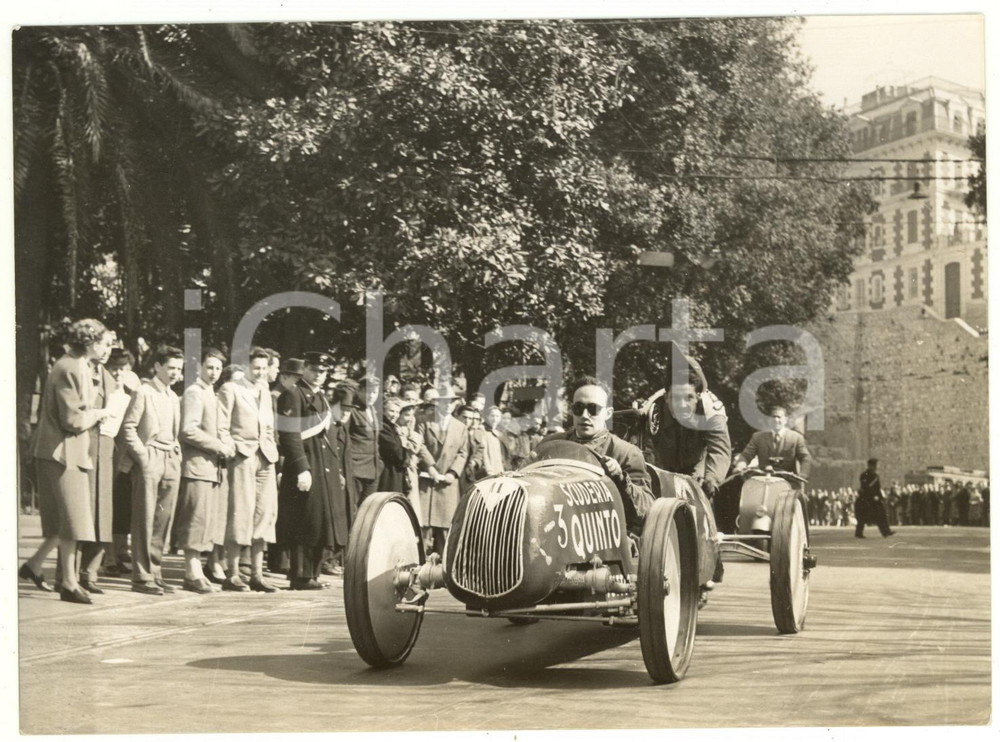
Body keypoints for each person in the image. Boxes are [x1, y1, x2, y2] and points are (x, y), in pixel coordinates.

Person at [23, 319, 114, 604]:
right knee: (73, 520)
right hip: (62, 451)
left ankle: (35, 567)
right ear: (90, 342)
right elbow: (73, 419)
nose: (106, 348)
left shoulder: (77, 365)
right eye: (103, 342)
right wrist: (101, 414)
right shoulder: (71, 367)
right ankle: (69, 583)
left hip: (67, 451)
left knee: (66, 520)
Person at [537, 376, 654, 535]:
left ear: (608, 413)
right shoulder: (550, 445)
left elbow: (647, 508)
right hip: (551, 529)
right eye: (578, 408)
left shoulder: (626, 453)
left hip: (604, 535)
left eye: (593, 409)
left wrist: (621, 479)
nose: (585, 415)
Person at [275, 351, 352, 589]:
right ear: (305, 368)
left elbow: (329, 436)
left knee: (320, 522)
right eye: (315, 370)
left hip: (324, 465)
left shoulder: (322, 398)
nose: (319, 375)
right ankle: (300, 575)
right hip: (307, 463)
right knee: (304, 521)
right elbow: (290, 435)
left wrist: (337, 469)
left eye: (324, 372)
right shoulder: (292, 394)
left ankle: (313, 573)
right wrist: (301, 468)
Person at [119, 344, 184, 595]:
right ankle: (141, 576)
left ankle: (155, 572)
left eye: (179, 369)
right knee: (144, 518)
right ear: (157, 366)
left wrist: (175, 450)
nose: (175, 373)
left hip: (171, 458)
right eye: (170, 368)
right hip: (150, 457)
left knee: (163, 519)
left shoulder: (172, 396)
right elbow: (128, 428)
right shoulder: (143, 392)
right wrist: (144, 456)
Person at [217, 347, 280, 592]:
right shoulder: (231, 389)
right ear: (246, 367)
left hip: (266, 456)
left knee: (264, 515)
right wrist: (231, 447)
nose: (261, 373)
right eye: (256, 368)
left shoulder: (265, 391)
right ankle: (232, 573)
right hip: (242, 456)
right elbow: (222, 425)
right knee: (240, 513)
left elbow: (268, 426)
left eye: (264, 368)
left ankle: (257, 573)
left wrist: (271, 448)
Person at [174, 348, 232, 593]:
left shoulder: (212, 393)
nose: (214, 373)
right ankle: (191, 572)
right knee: (195, 520)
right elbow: (188, 430)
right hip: (197, 465)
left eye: (218, 368)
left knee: (205, 521)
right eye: (209, 367)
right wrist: (219, 445)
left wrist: (228, 443)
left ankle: (197, 570)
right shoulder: (195, 393)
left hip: (211, 468)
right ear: (199, 368)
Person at [646, 360, 731, 502]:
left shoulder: (713, 412)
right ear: (666, 398)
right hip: (664, 461)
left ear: (698, 396)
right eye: (675, 398)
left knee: (700, 496)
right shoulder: (652, 408)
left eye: (689, 398)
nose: (682, 406)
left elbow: (719, 451)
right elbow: (645, 448)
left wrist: (712, 479)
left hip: (696, 463)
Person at [77, 327, 120, 594]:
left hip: (105, 445)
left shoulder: (109, 378)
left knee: (103, 509)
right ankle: (67, 573)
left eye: (110, 346)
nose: (107, 351)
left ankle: (90, 572)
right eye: (104, 344)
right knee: (81, 509)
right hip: (84, 444)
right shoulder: (79, 371)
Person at [417, 384, 470, 555]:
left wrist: (452, 473)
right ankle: (418, 564)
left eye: (451, 402)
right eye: (444, 402)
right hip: (426, 480)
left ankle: (442, 569)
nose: (447, 405)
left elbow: (463, 453)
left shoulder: (460, 427)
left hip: (447, 483)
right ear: (436, 403)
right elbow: (420, 445)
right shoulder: (424, 421)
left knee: (445, 528)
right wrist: (430, 466)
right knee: (423, 526)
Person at [103, 347, 138, 576]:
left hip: (123, 457)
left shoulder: (128, 396)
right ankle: (107, 557)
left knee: (121, 507)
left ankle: (118, 550)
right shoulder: (103, 393)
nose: (117, 374)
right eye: (114, 369)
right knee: (106, 506)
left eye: (122, 369)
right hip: (103, 453)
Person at [732, 405, 812, 479]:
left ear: (785, 420)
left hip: (788, 481)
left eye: (779, 417)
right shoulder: (758, 437)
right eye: (773, 417)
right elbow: (746, 456)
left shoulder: (796, 438)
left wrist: (803, 473)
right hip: (763, 480)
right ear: (769, 420)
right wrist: (740, 466)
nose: (776, 420)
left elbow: (805, 457)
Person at [347, 376, 381, 506]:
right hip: (356, 469)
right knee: (352, 508)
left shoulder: (373, 410)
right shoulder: (352, 410)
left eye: (375, 392)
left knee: (367, 510)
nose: (372, 396)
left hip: (373, 470)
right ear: (359, 391)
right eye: (368, 392)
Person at [855, 458, 895, 538]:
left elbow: (878, 489)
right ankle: (859, 532)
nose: (875, 467)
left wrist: (880, 498)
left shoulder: (876, 476)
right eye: (873, 465)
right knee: (862, 517)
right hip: (865, 498)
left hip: (874, 499)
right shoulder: (864, 475)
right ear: (870, 466)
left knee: (881, 514)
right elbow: (865, 487)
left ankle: (886, 531)